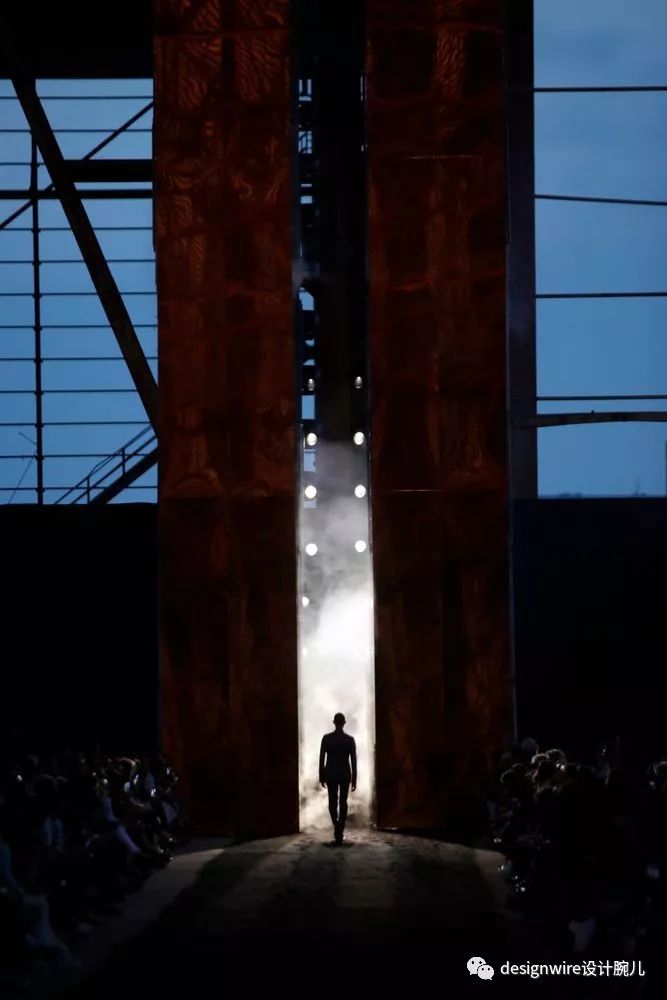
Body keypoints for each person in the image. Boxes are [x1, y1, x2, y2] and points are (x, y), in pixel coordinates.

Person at [319, 713, 357, 845]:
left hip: (331, 774)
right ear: (344, 723)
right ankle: (340, 829)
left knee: (332, 802)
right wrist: (354, 778)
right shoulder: (349, 740)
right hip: (345, 774)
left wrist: (321, 776)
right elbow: (353, 761)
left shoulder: (327, 739)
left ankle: (337, 827)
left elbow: (321, 759)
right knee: (343, 802)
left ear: (334, 722)